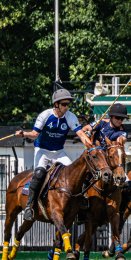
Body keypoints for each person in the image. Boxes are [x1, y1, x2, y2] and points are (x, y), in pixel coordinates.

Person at [15, 89, 92, 221]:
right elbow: (35, 134)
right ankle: (29, 207)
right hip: (42, 150)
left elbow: (81, 135)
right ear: (56, 104)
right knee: (39, 174)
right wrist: (25, 134)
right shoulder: (45, 115)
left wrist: (91, 147)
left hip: (58, 152)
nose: (67, 107)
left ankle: (80, 204)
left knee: (77, 173)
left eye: (68, 104)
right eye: (64, 104)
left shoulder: (71, 117)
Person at [81, 103, 131, 226]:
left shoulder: (122, 131)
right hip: (95, 160)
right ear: (111, 116)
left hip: (110, 163)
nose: (120, 121)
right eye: (117, 118)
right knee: (83, 179)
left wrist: (120, 141)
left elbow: (122, 139)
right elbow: (84, 129)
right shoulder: (101, 122)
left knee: (129, 186)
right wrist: (87, 133)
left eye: (122, 119)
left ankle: (120, 213)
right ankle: (81, 211)